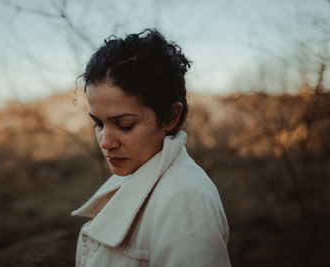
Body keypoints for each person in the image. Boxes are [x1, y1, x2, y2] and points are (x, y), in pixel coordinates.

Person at [71, 29, 231, 267]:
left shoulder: (186, 201)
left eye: (124, 125)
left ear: (169, 116)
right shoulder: (136, 170)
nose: (105, 142)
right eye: (98, 123)